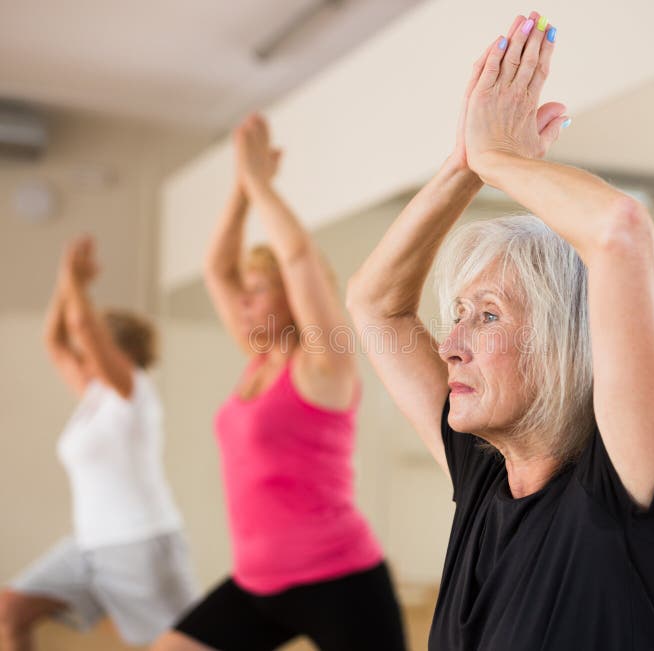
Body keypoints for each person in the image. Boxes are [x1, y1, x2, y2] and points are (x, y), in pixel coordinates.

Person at [346, 10, 654, 650]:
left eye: (486, 315)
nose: (450, 344)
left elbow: (620, 231)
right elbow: (375, 306)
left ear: (562, 344)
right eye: (457, 314)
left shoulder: (625, 493)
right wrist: (465, 165)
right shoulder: (486, 473)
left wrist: (500, 158)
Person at [153, 114, 406, 651]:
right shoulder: (259, 359)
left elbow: (297, 257)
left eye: (259, 290)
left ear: (293, 296)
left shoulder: (323, 366)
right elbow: (216, 268)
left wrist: (263, 186)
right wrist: (243, 188)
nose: (243, 301)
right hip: (257, 584)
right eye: (244, 292)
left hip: (339, 579)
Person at [0, 237, 197, 651]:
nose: (80, 351)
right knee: (9, 610)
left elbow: (82, 328)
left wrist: (78, 285)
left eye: (91, 345)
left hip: (141, 546)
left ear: (117, 351)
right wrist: (64, 279)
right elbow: (55, 342)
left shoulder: (133, 392)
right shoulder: (96, 397)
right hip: (88, 545)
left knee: (184, 646)